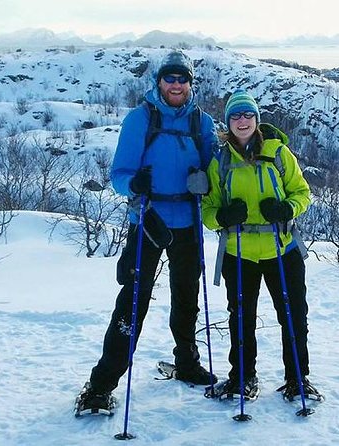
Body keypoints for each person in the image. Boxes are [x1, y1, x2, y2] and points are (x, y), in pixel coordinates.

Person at [75, 50, 218, 416]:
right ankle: (100, 385)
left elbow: (216, 169)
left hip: (187, 219)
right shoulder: (140, 119)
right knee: (133, 300)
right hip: (149, 219)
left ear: (191, 84)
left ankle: (186, 361)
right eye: (169, 78)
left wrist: (207, 183)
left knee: (187, 296)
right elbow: (119, 175)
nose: (176, 84)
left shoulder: (202, 123)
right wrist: (133, 183)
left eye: (182, 78)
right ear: (159, 81)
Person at [201, 90, 321, 401]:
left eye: (247, 115)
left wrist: (287, 210)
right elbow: (208, 210)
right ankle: (242, 377)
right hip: (238, 252)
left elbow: (302, 193)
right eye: (236, 116)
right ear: (229, 122)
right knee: (241, 317)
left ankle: (297, 379)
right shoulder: (221, 161)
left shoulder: (279, 153)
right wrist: (223, 217)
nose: (242, 121)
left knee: (293, 315)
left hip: (281, 249)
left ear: (257, 119)